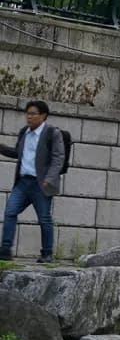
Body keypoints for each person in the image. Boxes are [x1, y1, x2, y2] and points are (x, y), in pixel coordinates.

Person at [0, 101, 65, 264]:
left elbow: (58, 158)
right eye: (27, 113)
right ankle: (5, 250)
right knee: (10, 212)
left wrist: (49, 179)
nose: (29, 117)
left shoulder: (52, 133)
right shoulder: (24, 132)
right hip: (22, 183)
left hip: (40, 184)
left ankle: (47, 254)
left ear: (43, 116)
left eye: (33, 114)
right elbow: (17, 153)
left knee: (44, 218)